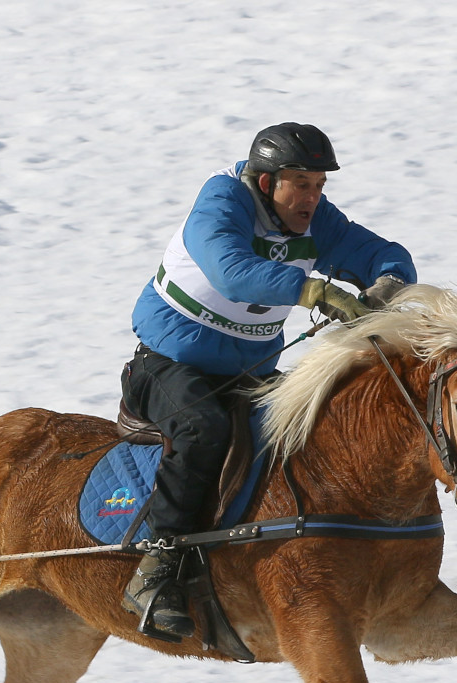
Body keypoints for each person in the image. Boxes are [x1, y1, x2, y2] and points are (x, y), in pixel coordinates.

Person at [120, 123, 417, 639]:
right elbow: (230, 269)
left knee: (314, 428)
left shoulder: (314, 221)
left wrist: (386, 284)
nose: (312, 197)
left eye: (319, 185)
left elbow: (380, 253)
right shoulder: (220, 204)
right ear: (265, 184)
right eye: (300, 184)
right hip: (169, 367)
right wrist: (316, 292)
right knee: (203, 430)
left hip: (249, 373)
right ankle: (157, 569)